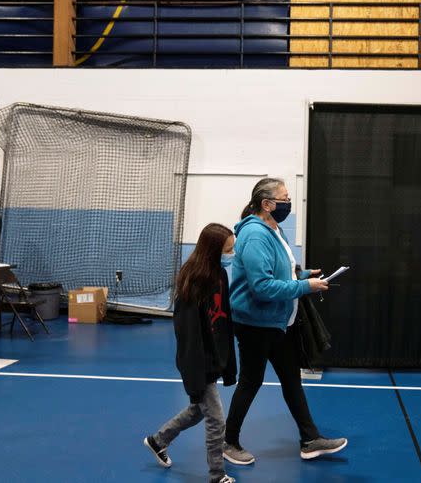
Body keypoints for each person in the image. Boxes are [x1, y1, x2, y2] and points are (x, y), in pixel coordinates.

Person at [223, 178, 347, 465]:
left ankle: (310, 439)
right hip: (255, 324)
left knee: (292, 380)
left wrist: (302, 276)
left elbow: (280, 273)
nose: (288, 203)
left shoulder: (274, 229)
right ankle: (229, 442)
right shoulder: (255, 235)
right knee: (251, 382)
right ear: (267, 204)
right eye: (284, 198)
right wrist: (306, 287)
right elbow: (262, 287)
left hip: (278, 321)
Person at [144, 223, 238, 483]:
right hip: (198, 362)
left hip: (214, 357)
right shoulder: (192, 282)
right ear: (212, 251)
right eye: (228, 250)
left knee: (198, 410)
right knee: (216, 420)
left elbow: (224, 320)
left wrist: (228, 362)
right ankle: (217, 475)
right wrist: (195, 375)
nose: (232, 254)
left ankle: (157, 440)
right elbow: (187, 336)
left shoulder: (220, 274)